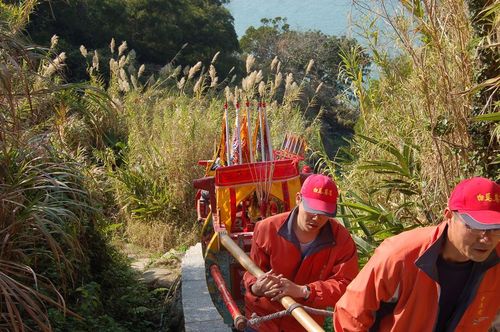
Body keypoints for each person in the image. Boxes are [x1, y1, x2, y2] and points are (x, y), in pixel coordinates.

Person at [334, 177, 500, 332]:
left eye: (495, 228)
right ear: (449, 216)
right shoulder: (400, 255)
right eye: (475, 226)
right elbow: (350, 314)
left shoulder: (496, 262)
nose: (487, 239)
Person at [243, 174, 359, 331]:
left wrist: (303, 291)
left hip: (305, 324)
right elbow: (252, 271)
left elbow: (346, 285)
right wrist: (256, 288)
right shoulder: (267, 228)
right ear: (298, 199)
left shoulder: (342, 239)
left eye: (324, 212)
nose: (317, 218)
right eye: (312, 209)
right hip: (263, 320)